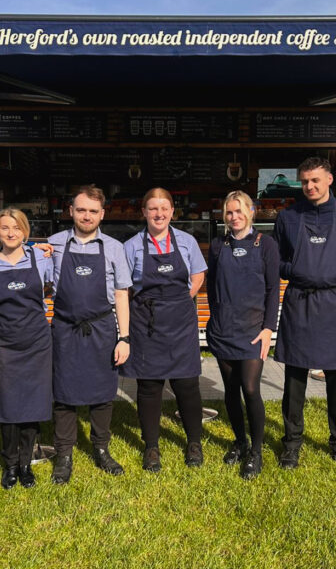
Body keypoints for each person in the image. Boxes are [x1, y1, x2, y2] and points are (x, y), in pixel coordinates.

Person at [274, 157, 336, 472]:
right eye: (304, 181)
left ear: (329, 179)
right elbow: (275, 261)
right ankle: (291, 445)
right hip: (299, 302)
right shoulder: (288, 217)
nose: (310, 187)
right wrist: (296, 270)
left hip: (335, 304)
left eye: (315, 180)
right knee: (294, 380)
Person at [48, 185, 131, 485]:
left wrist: (124, 337)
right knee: (64, 394)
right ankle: (64, 455)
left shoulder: (114, 248)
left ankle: (101, 448)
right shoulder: (53, 245)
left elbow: (121, 293)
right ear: (70, 211)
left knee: (102, 394)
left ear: (102, 214)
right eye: (81, 209)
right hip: (65, 329)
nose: (86, 215)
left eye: (93, 211)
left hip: (102, 328)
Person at [123, 188, 207, 472]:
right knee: (149, 385)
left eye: (164, 208)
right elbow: (124, 286)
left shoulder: (187, 241)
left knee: (186, 384)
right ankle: (151, 446)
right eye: (153, 209)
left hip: (181, 321)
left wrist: (183, 298)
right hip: (147, 323)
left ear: (172, 212)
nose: (159, 214)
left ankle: (194, 441)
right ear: (144, 212)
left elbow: (198, 274)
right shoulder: (132, 246)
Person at [206, 191, 279, 479]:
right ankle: (239, 441)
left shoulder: (266, 244)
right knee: (231, 391)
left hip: (252, 331)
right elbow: (211, 287)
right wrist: (216, 316)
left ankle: (256, 450)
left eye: (239, 211)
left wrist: (268, 329)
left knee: (250, 388)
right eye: (229, 212)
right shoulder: (217, 245)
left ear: (251, 212)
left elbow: (273, 289)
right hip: (223, 329)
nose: (234, 217)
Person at [0, 208, 53, 490]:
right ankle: (9, 464)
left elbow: (50, 287)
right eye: (4, 228)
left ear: (25, 231)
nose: (11, 233)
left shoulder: (40, 257)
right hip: (2, 343)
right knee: (7, 404)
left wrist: (38, 245)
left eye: (16, 228)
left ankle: (26, 464)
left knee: (32, 405)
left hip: (36, 341)